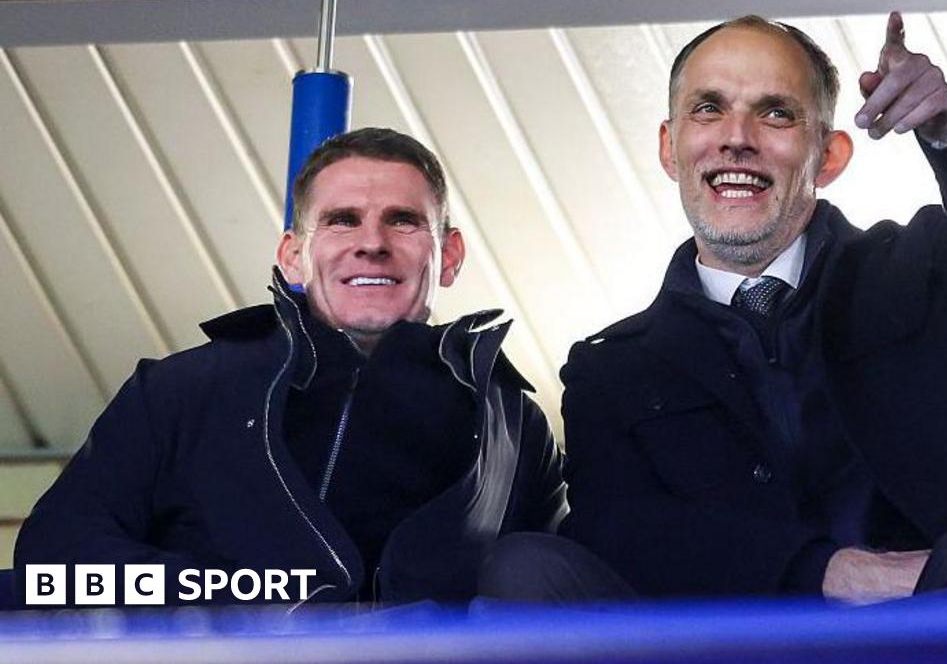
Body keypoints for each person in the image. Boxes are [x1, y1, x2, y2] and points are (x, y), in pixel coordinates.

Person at [481, 13, 947, 604]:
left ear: (829, 156)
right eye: (708, 108)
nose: (737, 137)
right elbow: (621, 534)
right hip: (712, 643)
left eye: (776, 113)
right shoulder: (610, 370)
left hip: (931, 630)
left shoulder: (925, 273)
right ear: (669, 148)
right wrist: (826, 572)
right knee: (527, 566)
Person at [16, 128, 566, 607]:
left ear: (450, 255)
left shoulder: (513, 426)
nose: (371, 243)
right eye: (342, 221)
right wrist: (239, 598)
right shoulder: (178, 391)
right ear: (293, 256)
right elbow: (51, 561)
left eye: (402, 221)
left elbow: (552, 594)